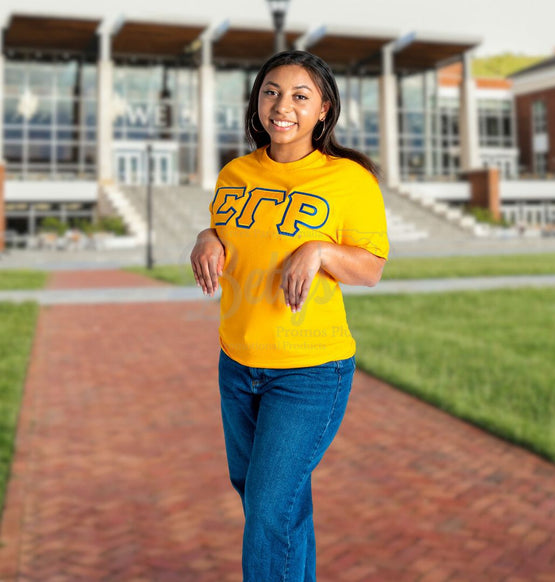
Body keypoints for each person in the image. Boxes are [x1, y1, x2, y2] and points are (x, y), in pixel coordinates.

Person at [190, 49, 389, 582]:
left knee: (269, 513)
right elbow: (227, 232)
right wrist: (207, 236)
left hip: (309, 371)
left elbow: (370, 269)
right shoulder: (236, 172)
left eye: (301, 96)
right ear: (257, 102)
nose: (283, 106)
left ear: (323, 109)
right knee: (269, 504)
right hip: (237, 361)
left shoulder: (348, 179)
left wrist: (320, 250)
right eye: (271, 91)